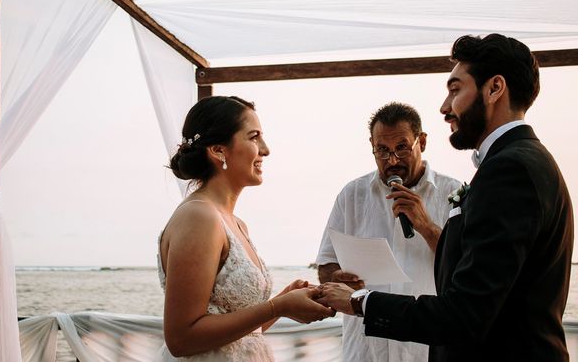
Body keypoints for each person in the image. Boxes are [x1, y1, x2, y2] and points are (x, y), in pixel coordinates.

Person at [317, 34, 574, 361]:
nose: (445, 107)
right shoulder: (520, 162)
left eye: (455, 89)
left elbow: (464, 314)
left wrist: (360, 302)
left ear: (494, 88)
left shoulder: (510, 170)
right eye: (381, 149)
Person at [158, 95, 334, 361]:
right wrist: (277, 306)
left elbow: (241, 334)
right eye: (254, 137)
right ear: (219, 150)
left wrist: (284, 303)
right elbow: (181, 338)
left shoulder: (236, 223)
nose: (265, 149)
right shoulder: (198, 217)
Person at [316, 102, 461, 362]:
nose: (392, 161)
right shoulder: (352, 195)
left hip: (426, 351)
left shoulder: (453, 193)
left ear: (422, 142)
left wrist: (426, 227)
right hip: (365, 351)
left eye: (401, 148)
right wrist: (337, 276)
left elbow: (465, 268)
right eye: (382, 150)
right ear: (371, 146)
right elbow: (326, 265)